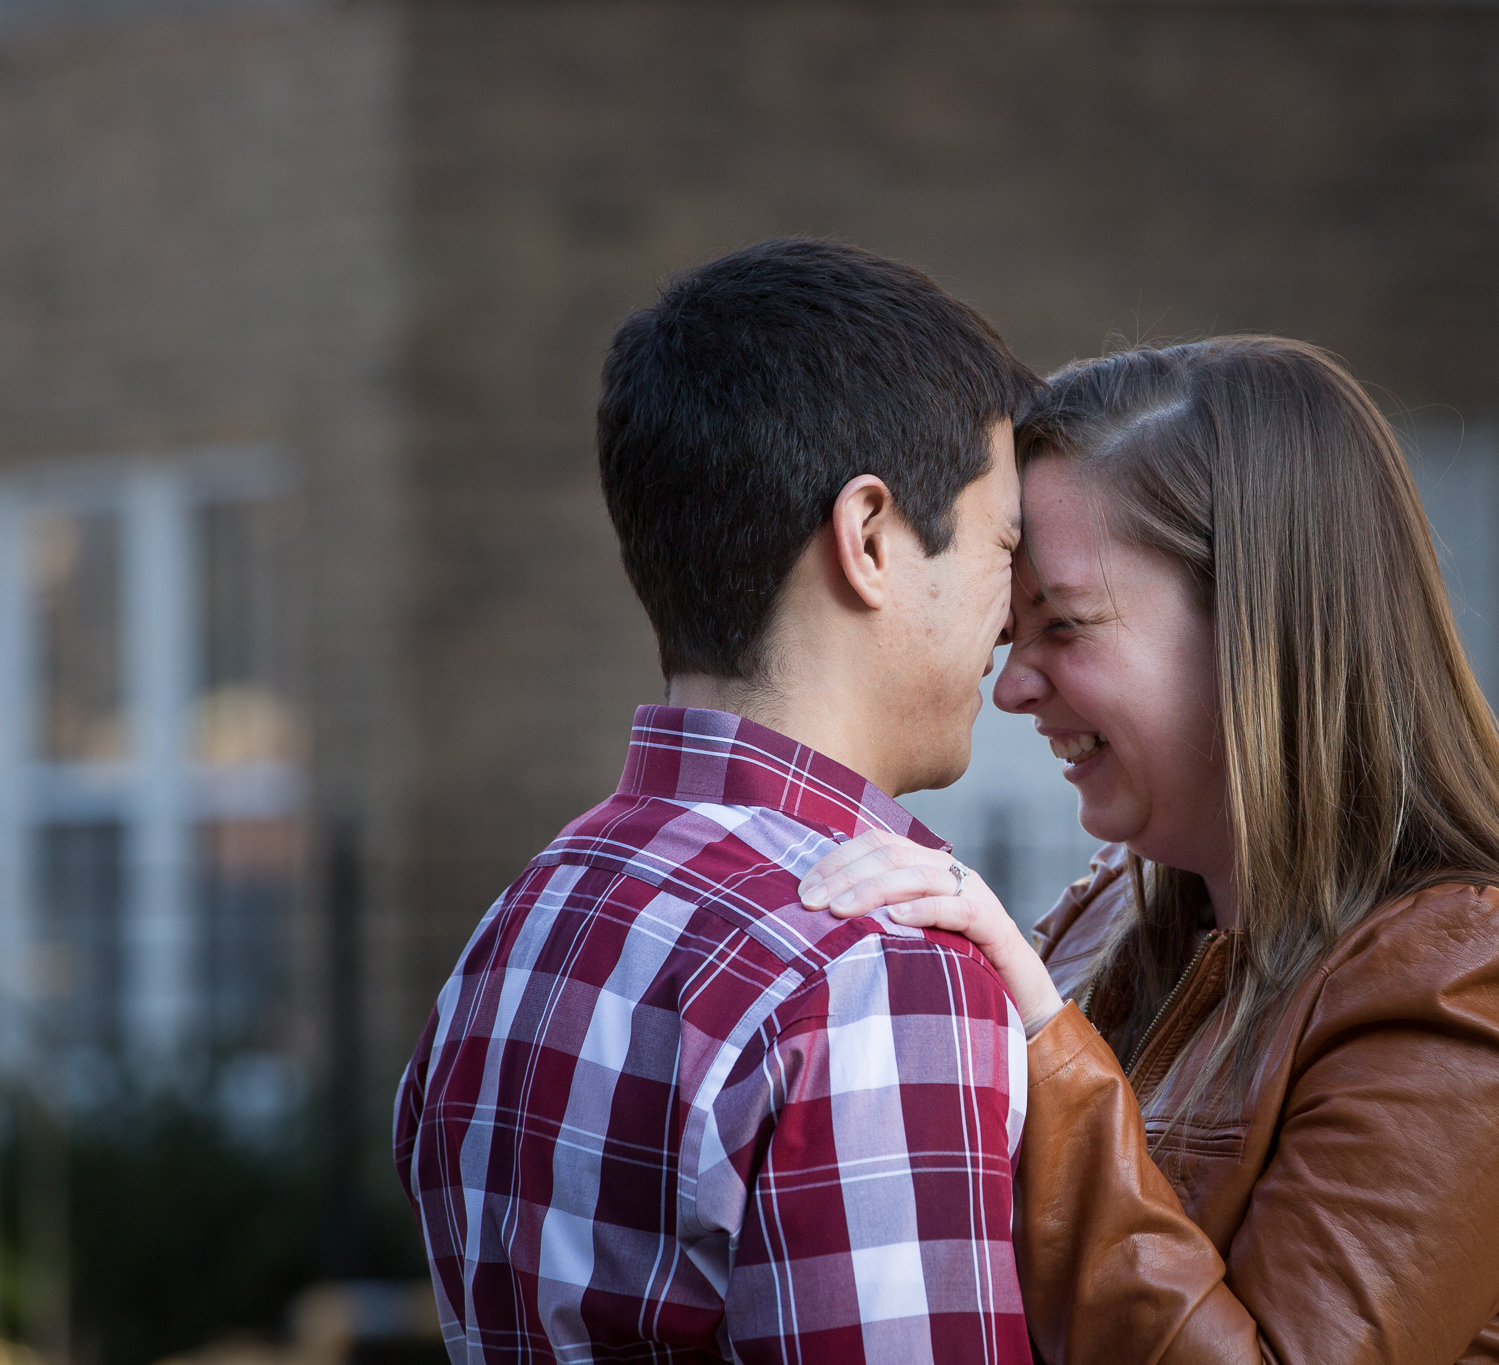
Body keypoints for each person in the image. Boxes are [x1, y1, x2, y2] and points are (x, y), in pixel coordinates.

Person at [800, 336, 1499, 1363]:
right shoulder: (1116, 917)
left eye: (1062, 627)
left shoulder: (1469, 982)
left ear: (1256, 629)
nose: (1012, 684)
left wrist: (1040, 1037)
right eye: (1006, 635)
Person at [393, 237, 1043, 1363]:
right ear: (872, 540)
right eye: (1003, 545)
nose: (1014, 615)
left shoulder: (521, 927)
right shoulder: (874, 972)